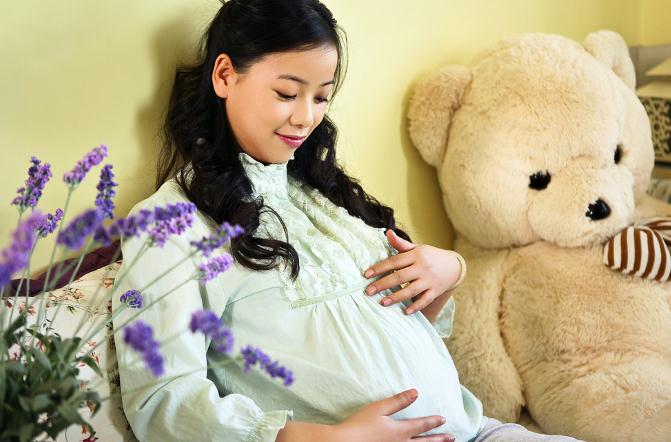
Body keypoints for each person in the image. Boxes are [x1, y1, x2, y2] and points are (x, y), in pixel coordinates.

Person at [112, 1, 582, 441]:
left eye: (321, 97)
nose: (306, 117)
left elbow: (403, 328)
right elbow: (161, 399)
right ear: (224, 75)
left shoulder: (324, 194)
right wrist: (334, 438)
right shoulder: (169, 225)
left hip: (475, 430)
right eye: (287, 93)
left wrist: (447, 272)